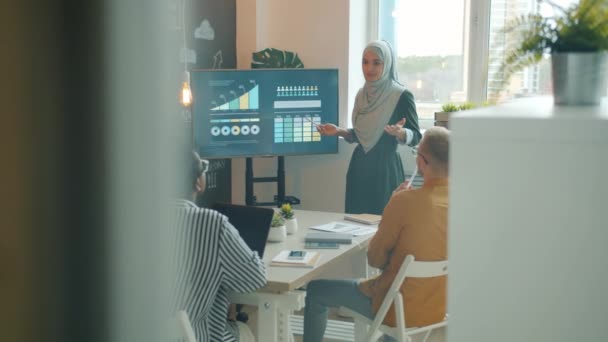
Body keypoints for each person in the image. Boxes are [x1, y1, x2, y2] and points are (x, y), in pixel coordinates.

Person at [302, 127, 450, 342]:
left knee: (316, 289)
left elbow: (375, 259)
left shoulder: (404, 201)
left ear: (421, 162)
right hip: (437, 308)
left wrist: (393, 202)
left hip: (394, 308)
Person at [316, 40, 422, 215]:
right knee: (355, 223)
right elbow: (361, 135)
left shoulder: (401, 95)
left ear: (386, 64)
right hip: (360, 165)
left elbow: (416, 136)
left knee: (385, 224)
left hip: (385, 167)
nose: (369, 68)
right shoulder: (361, 94)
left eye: (376, 63)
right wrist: (339, 131)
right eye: (365, 62)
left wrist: (401, 133)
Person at [171, 151, 265, 342]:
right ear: (198, 182)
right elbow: (254, 279)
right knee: (257, 320)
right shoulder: (212, 223)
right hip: (195, 336)